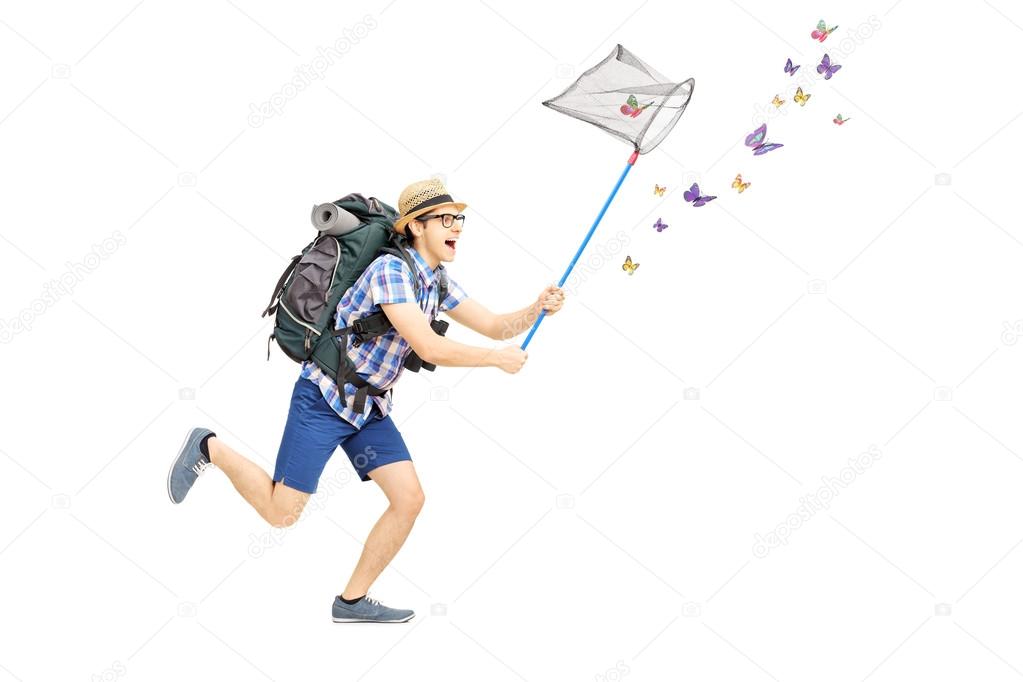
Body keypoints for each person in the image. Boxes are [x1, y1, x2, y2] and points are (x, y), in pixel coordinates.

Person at [166, 178, 565, 623]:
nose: (457, 228)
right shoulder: (391, 272)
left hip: (370, 408)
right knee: (282, 515)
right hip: (324, 399)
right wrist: (495, 361)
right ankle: (208, 446)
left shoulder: (434, 279)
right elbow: (430, 348)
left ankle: (350, 602)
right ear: (415, 226)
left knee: (409, 498)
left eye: (459, 219)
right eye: (446, 219)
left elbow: (494, 325)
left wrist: (536, 308)